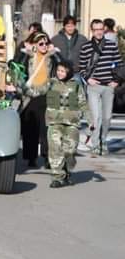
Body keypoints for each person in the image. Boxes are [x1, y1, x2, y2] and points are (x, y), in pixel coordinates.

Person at [27, 60, 85, 188]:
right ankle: (57, 177)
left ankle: (67, 171)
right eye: (58, 70)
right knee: (55, 149)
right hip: (54, 122)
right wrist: (21, 86)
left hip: (72, 123)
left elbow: (83, 104)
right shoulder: (51, 83)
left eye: (63, 71)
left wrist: (91, 121)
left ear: (69, 72)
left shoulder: (76, 86)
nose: (60, 73)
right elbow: (37, 91)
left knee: (70, 151)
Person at [77, 18, 122, 156]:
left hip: (109, 86)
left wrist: (117, 81)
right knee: (95, 117)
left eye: (101, 29)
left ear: (104, 29)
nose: (98, 32)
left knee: (107, 118)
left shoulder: (111, 45)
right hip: (93, 87)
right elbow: (81, 67)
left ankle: (103, 141)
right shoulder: (86, 47)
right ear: (92, 30)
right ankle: (96, 144)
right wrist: (88, 79)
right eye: (96, 29)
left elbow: (119, 64)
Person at [13, 32, 58, 168]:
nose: (44, 46)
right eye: (41, 44)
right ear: (35, 45)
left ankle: (47, 157)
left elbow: (63, 67)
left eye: (46, 43)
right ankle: (31, 157)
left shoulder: (52, 58)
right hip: (30, 95)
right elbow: (16, 66)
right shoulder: (28, 57)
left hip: (46, 94)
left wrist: (54, 51)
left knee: (46, 129)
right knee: (30, 128)